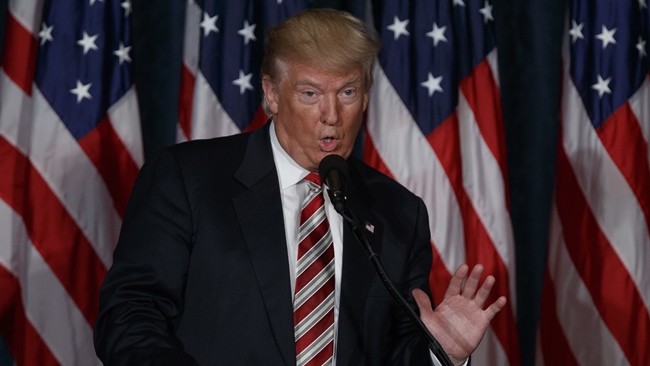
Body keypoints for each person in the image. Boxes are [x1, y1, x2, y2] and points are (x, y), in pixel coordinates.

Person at [94, 8, 506, 366]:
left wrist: (441, 353)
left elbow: (394, 353)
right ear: (272, 93)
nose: (331, 115)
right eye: (310, 93)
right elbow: (129, 315)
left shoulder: (398, 211)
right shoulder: (187, 178)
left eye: (347, 92)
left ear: (365, 97)